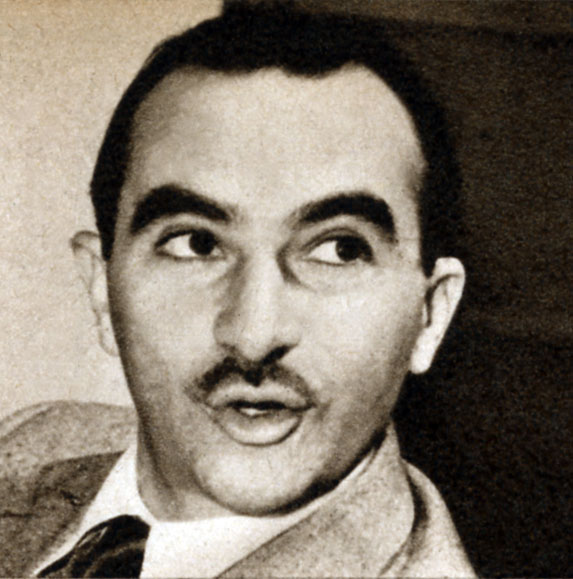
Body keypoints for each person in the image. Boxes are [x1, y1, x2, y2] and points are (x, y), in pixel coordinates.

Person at [0, 2, 474, 576]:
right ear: (102, 288)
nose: (253, 334)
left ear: (430, 315)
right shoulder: (32, 438)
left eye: (339, 250)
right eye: (196, 243)